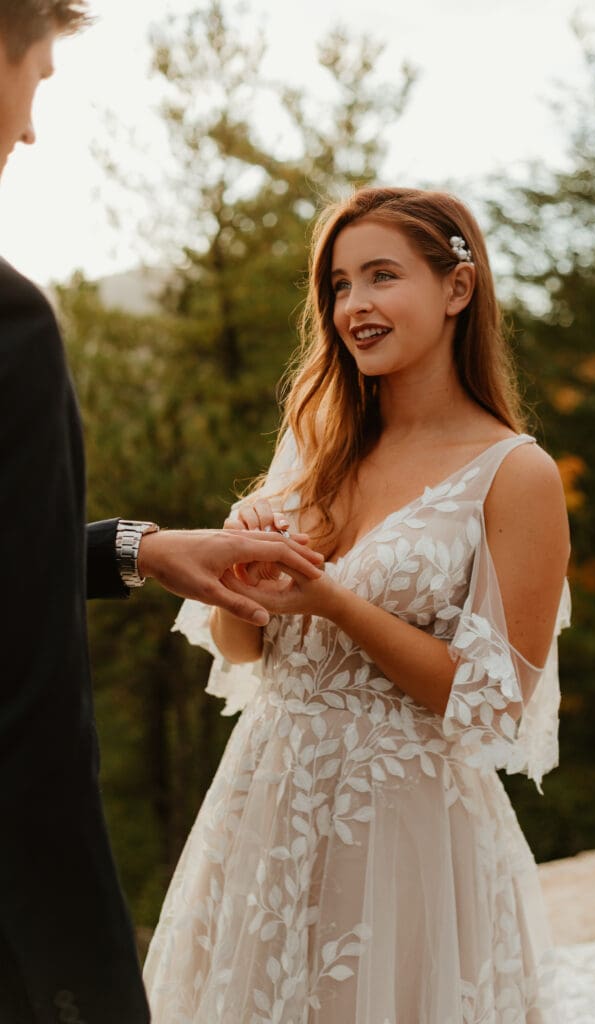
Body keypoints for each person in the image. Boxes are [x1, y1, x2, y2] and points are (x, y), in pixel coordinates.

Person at [143, 187, 571, 1022]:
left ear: (457, 288)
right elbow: (242, 649)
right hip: (267, 801)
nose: (354, 306)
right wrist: (245, 568)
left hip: (404, 829)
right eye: (338, 285)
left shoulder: (515, 474)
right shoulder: (320, 444)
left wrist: (336, 604)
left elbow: (489, 705)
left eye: (381, 275)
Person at [0, 3, 322, 1022]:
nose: (30, 128)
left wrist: (137, 548)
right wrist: (82, 977)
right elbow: (26, 712)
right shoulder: (9, 327)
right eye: (36, 80)